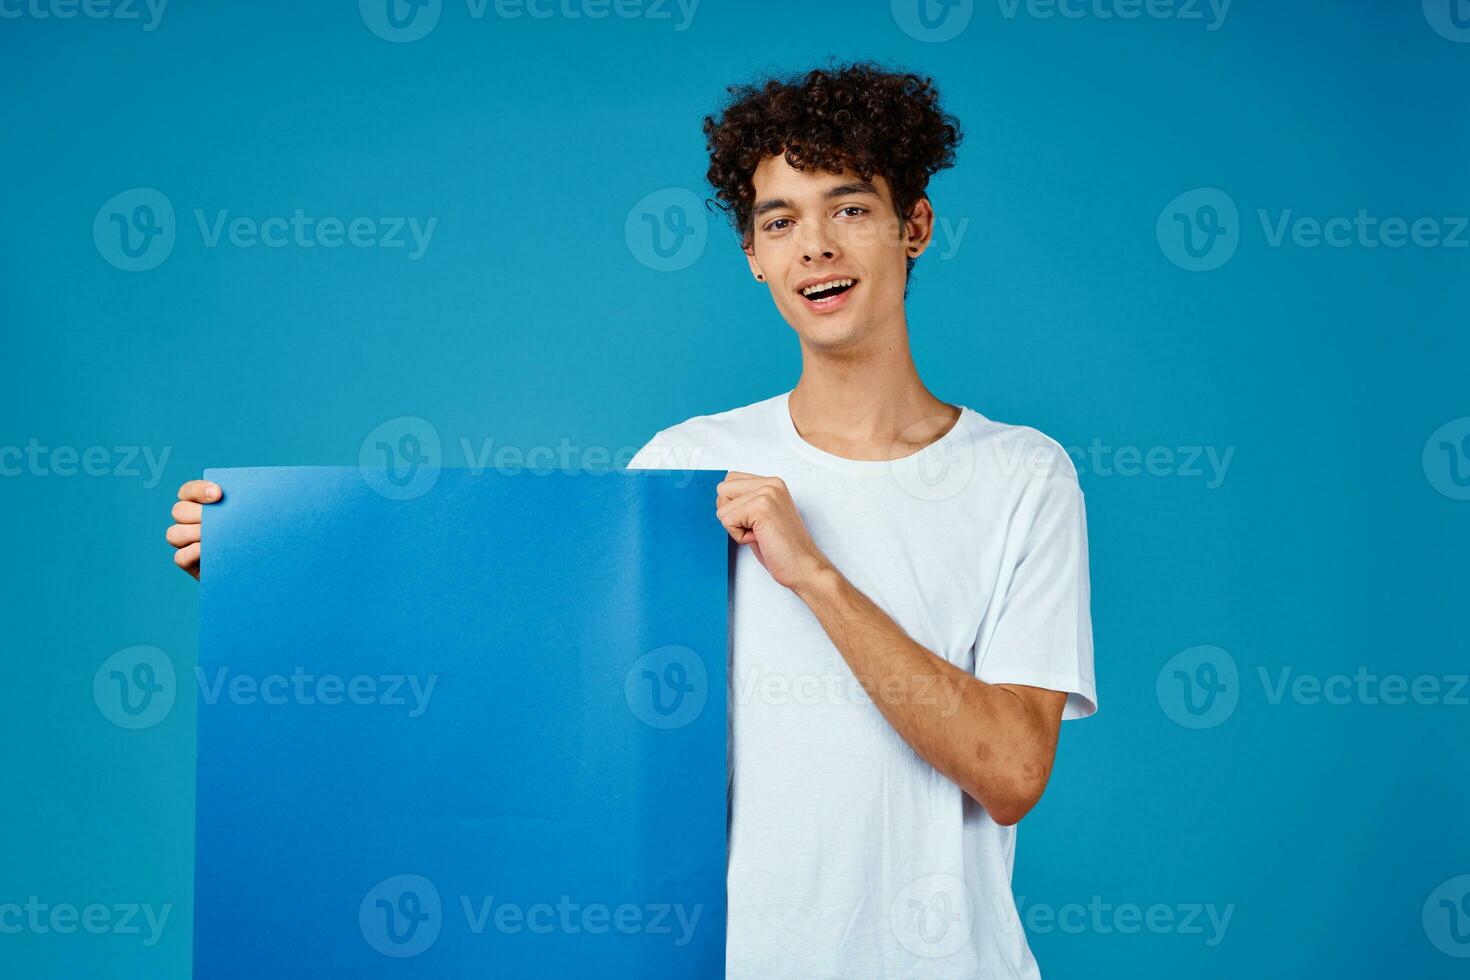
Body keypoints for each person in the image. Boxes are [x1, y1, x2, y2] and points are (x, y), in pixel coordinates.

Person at [168, 61, 1097, 979]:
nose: (815, 246)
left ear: (915, 227)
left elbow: (1012, 771)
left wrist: (814, 574)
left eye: (849, 208)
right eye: (780, 221)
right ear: (755, 256)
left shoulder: (1019, 474)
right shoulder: (684, 466)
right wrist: (274, 580)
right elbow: (521, 674)